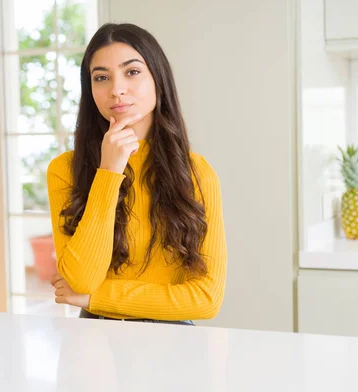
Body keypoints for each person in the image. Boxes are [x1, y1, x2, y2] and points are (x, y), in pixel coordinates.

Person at [47, 23, 227, 325]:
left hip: (173, 344)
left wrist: (96, 297)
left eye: (132, 72)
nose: (116, 89)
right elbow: (81, 279)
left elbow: (207, 299)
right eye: (101, 77)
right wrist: (109, 171)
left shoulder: (196, 173)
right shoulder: (65, 170)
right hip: (94, 342)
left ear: (158, 78)